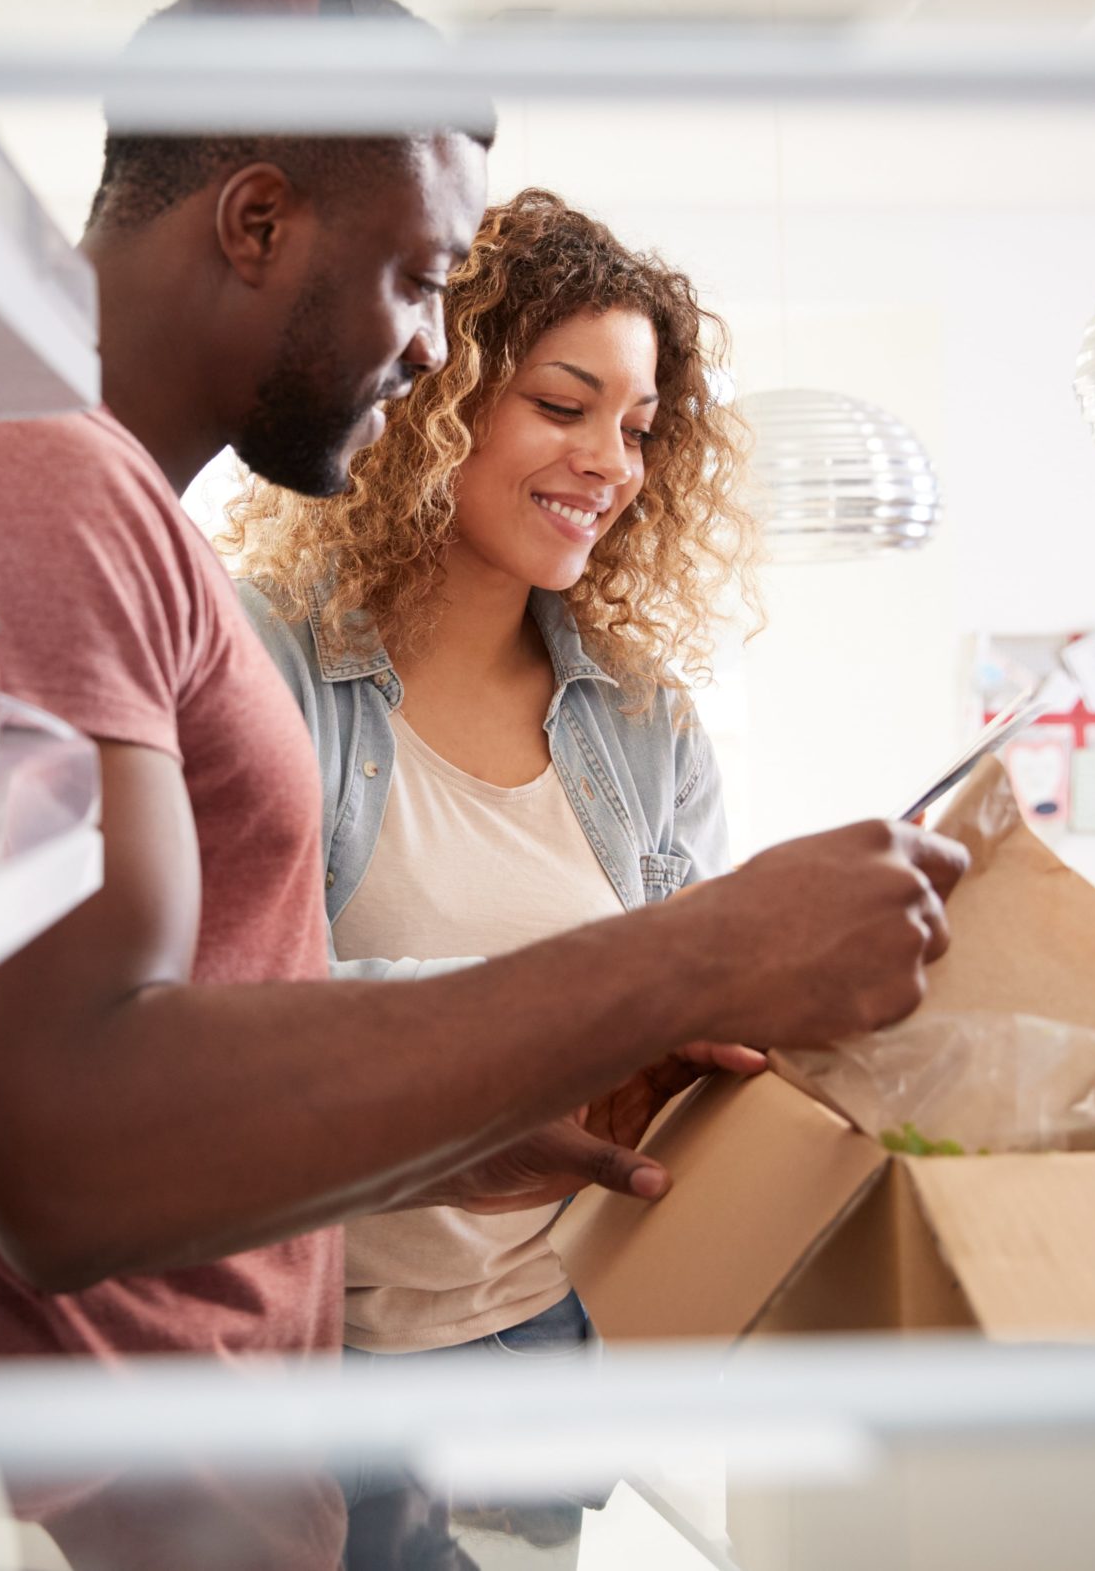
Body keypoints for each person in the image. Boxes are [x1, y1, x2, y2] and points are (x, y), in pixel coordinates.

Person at [0, 0, 967, 1571]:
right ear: (255, 224)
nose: (438, 350)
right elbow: (69, 1152)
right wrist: (694, 953)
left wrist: (467, 1121)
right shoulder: (56, 492)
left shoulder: (107, 510)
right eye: (425, 279)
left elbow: (201, 1040)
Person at [224, 187, 752, 1559]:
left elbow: (688, 1045)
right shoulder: (268, 671)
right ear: (432, 400)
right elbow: (213, 1019)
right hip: (312, 1371)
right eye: (563, 405)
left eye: (639, 429)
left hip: (545, 1350)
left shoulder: (646, 726)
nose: (611, 461)